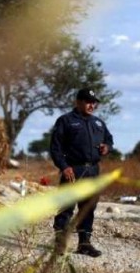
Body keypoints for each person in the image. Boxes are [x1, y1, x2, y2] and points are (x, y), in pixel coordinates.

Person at [49, 88, 114, 257]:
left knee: (88, 208)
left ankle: (84, 244)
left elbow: (109, 140)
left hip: (93, 170)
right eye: (88, 102)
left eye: (94, 103)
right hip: (73, 170)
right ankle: (60, 243)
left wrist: (107, 147)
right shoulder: (65, 121)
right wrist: (64, 167)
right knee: (66, 207)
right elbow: (55, 148)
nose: (91, 105)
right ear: (78, 102)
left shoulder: (98, 123)